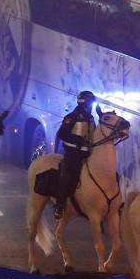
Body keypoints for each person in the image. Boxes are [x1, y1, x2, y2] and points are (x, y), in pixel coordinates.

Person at [54, 90, 97, 218]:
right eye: (91, 103)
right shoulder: (71, 117)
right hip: (73, 153)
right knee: (68, 177)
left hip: (87, 153)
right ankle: (59, 206)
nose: (91, 106)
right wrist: (76, 140)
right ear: (86, 103)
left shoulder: (91, 118)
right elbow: (61, 134)